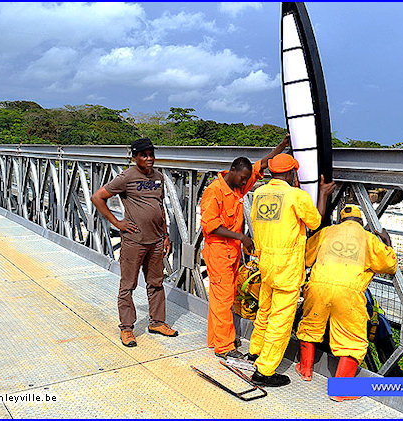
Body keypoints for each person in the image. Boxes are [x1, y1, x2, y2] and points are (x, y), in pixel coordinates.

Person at [247, 153, 336, 387]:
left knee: (264, 310)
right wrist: (323, 195)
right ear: (291, 173)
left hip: (265, 263)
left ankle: (255, 351)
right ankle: (264, 370)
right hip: (286, 267)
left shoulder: (259, 193)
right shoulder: (296, 195)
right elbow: (315, 222)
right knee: (281, 320)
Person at [200, 135, 290, 360]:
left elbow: (261, 165)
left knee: (221, 296)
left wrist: (281, 147)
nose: (245, 183)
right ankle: (224, 346)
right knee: (224, 299)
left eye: (247, 179)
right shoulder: (215, 192)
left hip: (230, 253)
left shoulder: (238, 186)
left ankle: (216, 338)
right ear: (232, 170)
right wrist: (241, 236)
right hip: (218, 251)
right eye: (243, 178)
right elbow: (210, 226)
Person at [295, 205, 397, 401]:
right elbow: (389, 266)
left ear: (341, 220)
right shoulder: (369, 238)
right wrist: (387, 243)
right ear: (361, 222)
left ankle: (305, 370)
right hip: (349, 293)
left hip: (318, 287)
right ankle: (341, 390)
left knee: (309, 326)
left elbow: (307, 257)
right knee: (351, 339)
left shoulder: (327, 232)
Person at [91, 138, 178, 348]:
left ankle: (157, 322)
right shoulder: (126, 177)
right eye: (143, 155)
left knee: (156, 283)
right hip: (134, 241)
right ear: (134, 157)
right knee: (128, 285)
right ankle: (127, 328)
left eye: (151, 154)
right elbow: (97, 197)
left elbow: (160, 206)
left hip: (156, 240)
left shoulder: (158, 177)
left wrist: (165, 235)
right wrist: (117, 222)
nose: (149, 159)